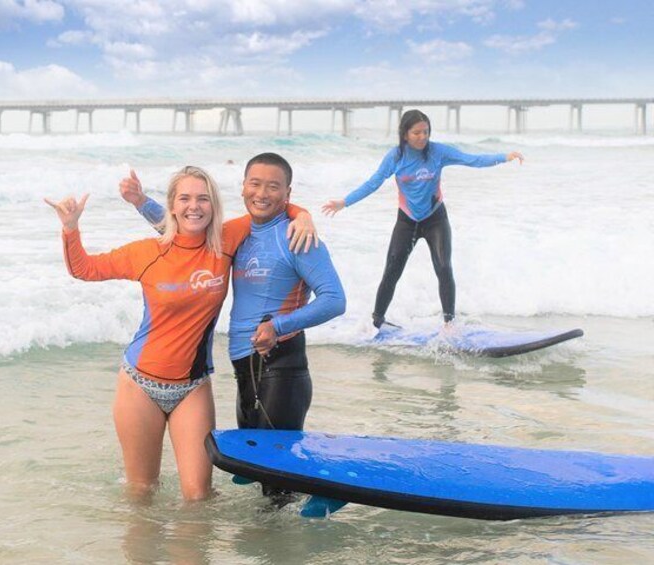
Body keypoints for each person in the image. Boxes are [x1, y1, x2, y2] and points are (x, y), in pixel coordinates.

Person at [46, 166, 313, 502]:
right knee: (142, 492)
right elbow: (84, 269)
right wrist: (70, 228)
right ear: (171, 206)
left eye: (203, 199)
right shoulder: (146, 252)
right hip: (139, 385)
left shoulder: (226, 241)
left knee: (199, 496)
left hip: (193, 388)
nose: (194, 206)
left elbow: (268, 203)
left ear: (213, 206)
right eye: (185, 198)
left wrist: (302, 216)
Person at [122, 153, 346, 502]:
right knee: (259, 474)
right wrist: (140, 202)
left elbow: (334, 299)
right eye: (255, 184)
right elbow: (184, 227)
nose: (262, 193)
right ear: (242, 187)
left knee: (277, 482)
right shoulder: (234, 235)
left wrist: (279, 325)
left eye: (274, 187)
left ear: (287, 191)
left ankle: (285, 546)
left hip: (281, 365)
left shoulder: (297, 237)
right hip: (246, 368)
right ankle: (262, 547)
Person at [322, 109, 523, 328]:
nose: (422, 137)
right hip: (407, 221)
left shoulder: (438, 152)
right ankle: (377, 322)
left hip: (435, 219)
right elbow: (373, 183)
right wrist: (345, 202)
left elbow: (472, 159)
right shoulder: (396, 157)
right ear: (405, 134)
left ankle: (449, 324)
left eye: (426, 132)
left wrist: (504, 157)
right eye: (417, 132)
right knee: (392, 270)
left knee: (444, 267)